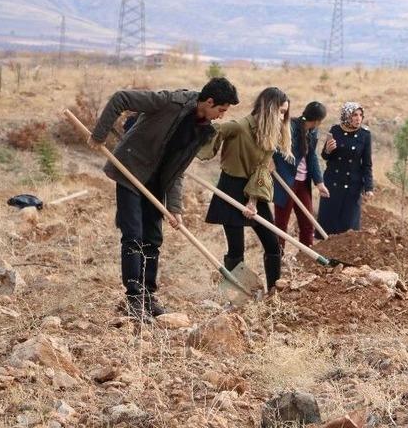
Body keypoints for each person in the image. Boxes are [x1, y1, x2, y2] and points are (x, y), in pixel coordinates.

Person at [88, 77, 238, 320]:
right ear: (209, 101)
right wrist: (99, 134)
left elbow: (177, 172)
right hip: (131, 172)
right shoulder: (170, 102)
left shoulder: (202, 131)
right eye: (220, 110)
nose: (221, 116)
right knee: (133, 236)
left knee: (153, 240)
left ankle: (148, 295)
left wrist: (175, 208)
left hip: (157, 185)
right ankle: (134, 299)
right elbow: (121, 98)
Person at [200, 87, 292, 295]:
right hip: (230, 189)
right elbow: (212, 134)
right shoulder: (239, 127)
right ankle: (237, 298)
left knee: (272, 244)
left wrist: (252, 201)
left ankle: (273, 293)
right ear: (268, 109)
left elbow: (261, 170)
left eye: (284, 112)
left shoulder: (270, 134)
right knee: (236, 249)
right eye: (280, 111)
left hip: (254, 190)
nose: (282, 117)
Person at [272, 101, 330, 248]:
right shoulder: (289, 128)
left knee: (307, 221)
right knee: (281, 225)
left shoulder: (313, 132)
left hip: (303, 183)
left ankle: (307, 256)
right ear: (318, 121)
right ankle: (277, 257)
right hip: (286, 181)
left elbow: (312, 156)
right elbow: (275, 151)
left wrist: (319, 182)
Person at [317, 102, 374, 235]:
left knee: (348, 230)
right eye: (354, 115)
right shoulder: (335, 130)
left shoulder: (365, 135)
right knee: (328, 228)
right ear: (347, 116)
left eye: (360, 115)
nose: (358, 118)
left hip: (352, 187)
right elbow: (325, 156)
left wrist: (369, 187)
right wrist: (328, 150)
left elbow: (367, 164)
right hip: (333, 184)